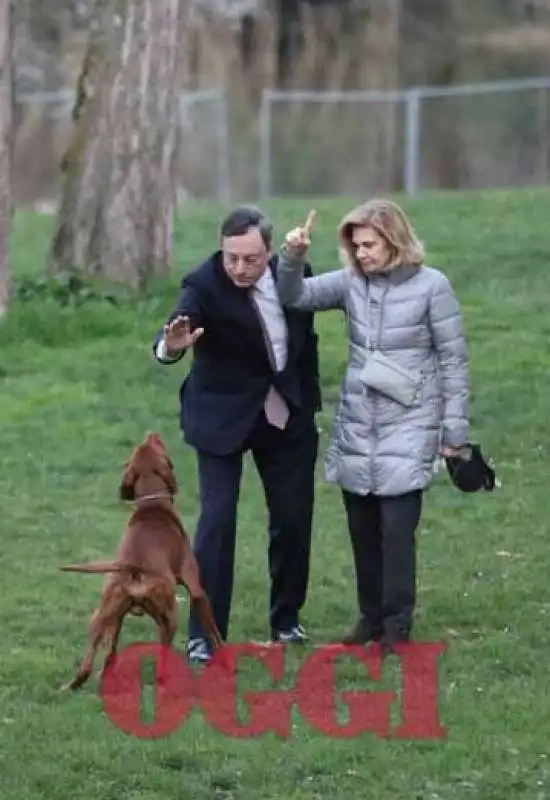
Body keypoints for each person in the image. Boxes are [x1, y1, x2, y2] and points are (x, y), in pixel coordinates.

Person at [276, 198, 470, 653]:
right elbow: (294, 297)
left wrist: (454, 432)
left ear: (394, 240)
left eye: (369, 244)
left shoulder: (432, 287)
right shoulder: (350, 284)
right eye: (355, 245)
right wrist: (293, 258)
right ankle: (371, 618)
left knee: (396, 532)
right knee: (362, 530)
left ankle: (397, 627)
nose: (361, 253)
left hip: (411, 422)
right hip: (359, 424)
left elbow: (453, 360)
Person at [152, 205, 322, 663]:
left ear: (269, 251)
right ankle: (204, 634)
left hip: (286, 415)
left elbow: (306, 340)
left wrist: (309, 403)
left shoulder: (296, 275)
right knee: (217, 522)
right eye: (232, 258)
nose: (240, 268)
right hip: (222, 418)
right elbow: (173, 328)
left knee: (292, 518)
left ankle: (286, 620)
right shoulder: (202, 283)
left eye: (251, 259)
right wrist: (171, 345)